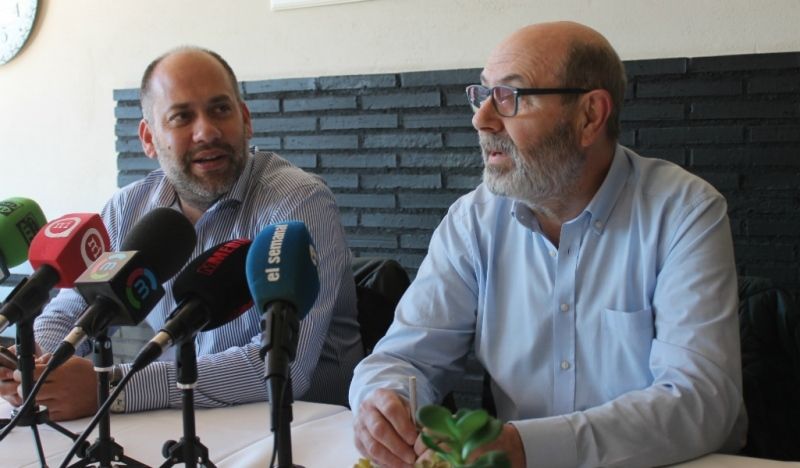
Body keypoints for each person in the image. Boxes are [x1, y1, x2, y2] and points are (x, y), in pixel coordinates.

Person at [349, 21, 746, 468]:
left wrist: (525, 446)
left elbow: (700, 401)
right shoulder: (473, 220)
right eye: (483, 94)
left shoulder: (684, 212)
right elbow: (404, 358)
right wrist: (382, 402)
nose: (481, 119)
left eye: (510, 97)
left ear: (589, 116)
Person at [0, 46, 363, 420]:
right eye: (181, 117)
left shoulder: (298, 201)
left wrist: (112, 388)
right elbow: (73, 305)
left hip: (303, 425)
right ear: (148, 138)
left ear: (245, 120)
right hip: (185, 418)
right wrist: (37, 365)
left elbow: (284, 368)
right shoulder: (128, 208)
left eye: (220, 110)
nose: (206, 131)